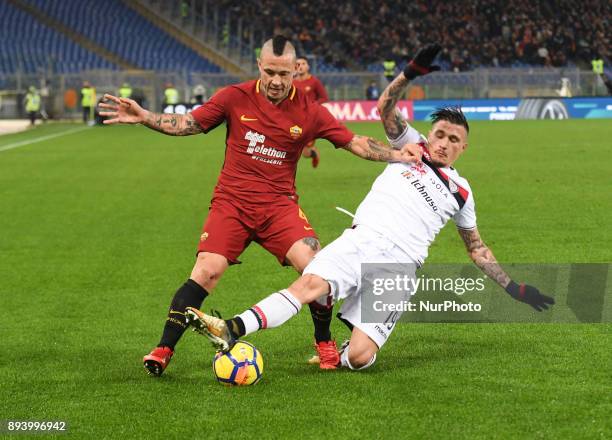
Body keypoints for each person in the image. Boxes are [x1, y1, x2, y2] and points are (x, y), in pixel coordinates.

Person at [184, 44, 555, 371]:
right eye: (440, 134)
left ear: (463, 148)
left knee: (361, 357)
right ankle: (231, 327)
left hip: (401, 265)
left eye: (453, 139)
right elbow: (385, 107)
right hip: (362, 239)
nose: (443, 143)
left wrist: (514, 289)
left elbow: (476, 248)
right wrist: (409, 73)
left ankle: (344, 351)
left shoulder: (462, 193)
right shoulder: (413, 145)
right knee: (310, 283)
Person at [98, 36, 421, 376]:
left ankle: (324, 341)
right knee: (207, 270)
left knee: (315, 265)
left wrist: (397, 154)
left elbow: (354, 141)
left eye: (285, 74)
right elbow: (190, 124)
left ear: (296, 70)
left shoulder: (310, 111)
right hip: (232, 204)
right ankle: (164, 348)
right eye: (270, 72)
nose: (277, 81)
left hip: (278, 208)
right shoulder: (234, 97)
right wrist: (146, 116)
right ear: (259, 67)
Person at [293, 56, 329, 168]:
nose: (300, 66)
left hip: (310, 119)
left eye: (303, 63)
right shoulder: (292, 82)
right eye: (298, 64)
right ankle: (313, 154)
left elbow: (324, 97)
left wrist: (313, 106)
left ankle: (313, 152)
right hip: (295, 118)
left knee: (305, 146)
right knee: (304, 151)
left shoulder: (314, 81)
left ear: (308, 67)